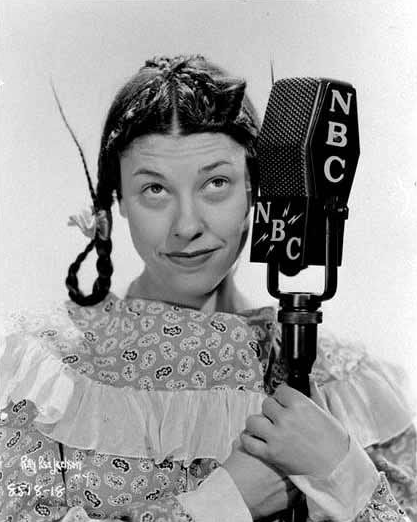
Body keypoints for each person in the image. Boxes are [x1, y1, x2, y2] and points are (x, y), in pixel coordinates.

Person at [0, 55, 416, 522]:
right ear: (117, 199)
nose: (186, 226)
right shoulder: (51, 369)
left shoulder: (346, 383)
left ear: (257, 192)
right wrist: (225, 502)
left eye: (216, 183)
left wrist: (340, 472)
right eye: (154, 190)